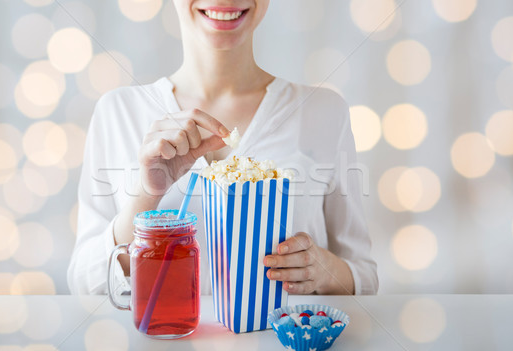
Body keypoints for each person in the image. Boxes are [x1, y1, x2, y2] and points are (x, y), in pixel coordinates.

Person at [68, 0, 378, 295]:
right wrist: (148, 193)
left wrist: (325, 271)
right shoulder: (118, 111)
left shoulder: (323, 110)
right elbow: (84, 282)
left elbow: (364, 275)